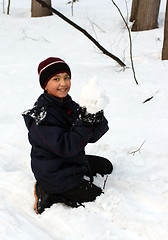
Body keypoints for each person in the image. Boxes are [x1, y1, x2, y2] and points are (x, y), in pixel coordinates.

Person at [23, 57, 113, 214]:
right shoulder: (42, 116)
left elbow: (89, 137)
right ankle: (49, 192)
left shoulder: (68, 104)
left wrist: (95, 117)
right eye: (56, 79)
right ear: (45, 84)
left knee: (107, 166)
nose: (63, 83)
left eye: (66, 78)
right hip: (54, 173)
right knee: (95, 194)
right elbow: (67, 148)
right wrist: (85, 123)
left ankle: (66, 183)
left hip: (70, 161)